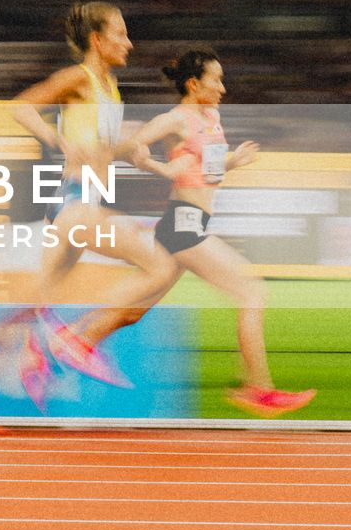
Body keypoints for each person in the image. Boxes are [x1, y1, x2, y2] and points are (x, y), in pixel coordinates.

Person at [0, 1, 176, 420]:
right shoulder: (78, 78)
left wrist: (127, 146)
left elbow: (99, 148)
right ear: (97, 40)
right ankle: (77, 340)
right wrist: (57, 140)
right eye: (120, 34)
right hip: (75, 203)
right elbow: (21, 106)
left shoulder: (110, 87)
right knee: (161, 267)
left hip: (77, 205)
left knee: (31, 303)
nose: (129, 43)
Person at [110, 48, 315, 417]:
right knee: (251, 291)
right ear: (193, 83)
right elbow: (132, 145)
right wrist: (147, 160)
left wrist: (234, 160)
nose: (222, 87)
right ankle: (258, 388)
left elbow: (211, 173)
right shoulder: (177, 119)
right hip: (182, 225)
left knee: (131, 314)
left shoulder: (212, 117)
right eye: (215, 79)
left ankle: (68, 344)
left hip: (192, 223)